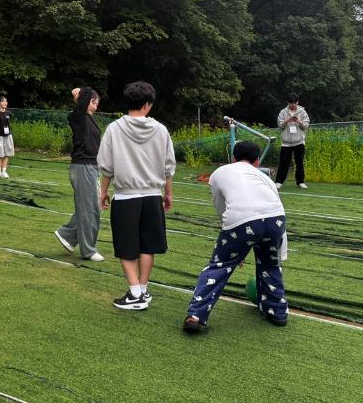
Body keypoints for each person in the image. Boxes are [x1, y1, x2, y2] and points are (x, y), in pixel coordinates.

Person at [183, 140, 289, 334]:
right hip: (276, 219)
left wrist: (234, 243)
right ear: (257, 161)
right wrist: (280, 255)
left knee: (219, 266)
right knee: (270, 265)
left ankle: (196, 316)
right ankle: (278, 312)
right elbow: (277, 205)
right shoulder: (264, 177)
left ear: (233, 158)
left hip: (241, 221)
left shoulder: (219, 173)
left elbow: (221, 207)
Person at [97, 81, 175, 311]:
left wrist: (103, 191)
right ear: (148, 104)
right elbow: (168, 167)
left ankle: (135, 293)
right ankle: (142, 288)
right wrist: (168, 193)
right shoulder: (161, 130)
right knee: (147, 245)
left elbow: (107, 166)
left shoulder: (114, 129)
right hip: (152, 195)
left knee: (126, 245)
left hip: (125, 196)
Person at [54, 87, 104, 262]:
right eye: (93, 102)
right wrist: (82, 93)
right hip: (83, 167)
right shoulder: (79, 118)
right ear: (85, 101)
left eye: (97, 104)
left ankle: (67, 235)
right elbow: (80, 95)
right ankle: (88, 250)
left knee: (93, 207)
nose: (95, 107)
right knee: (89, 210)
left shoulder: (89, 119)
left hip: (90, 167)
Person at [274, 92, 310, 189]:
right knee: (283, 162)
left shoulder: (303, 112)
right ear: (288, 102)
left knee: (299, 162)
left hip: (299, 142)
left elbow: (306, 126)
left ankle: (300, 182)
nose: (292, 105)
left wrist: (299, 121)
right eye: (290, 103)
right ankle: (279, 182)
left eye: (294, 103)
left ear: (297, 102)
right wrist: (287, 121)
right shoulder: (283, 112)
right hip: (286, 143)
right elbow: (280, 125)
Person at [0, 96, 14, 179]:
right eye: (3, 101)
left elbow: (9, 123)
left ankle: (4, 172)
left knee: (6, 154)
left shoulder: (9, 113)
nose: (5, 103)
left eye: (6, 101)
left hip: (7, 135)